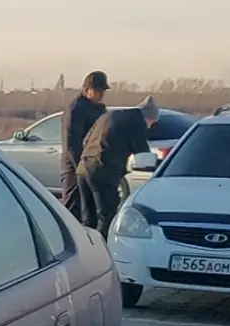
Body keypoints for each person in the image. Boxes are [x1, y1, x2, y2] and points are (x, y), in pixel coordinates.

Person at [77, 96, 160, 235]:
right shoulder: (137, 122)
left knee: (88, 219)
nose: (150, 126)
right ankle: (102, 251)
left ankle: (86, 248)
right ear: (149, 118)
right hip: (103, 170)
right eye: (151, 123)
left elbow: (86, 141)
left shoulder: (109, 115)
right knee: (106, 216)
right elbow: (143, 153)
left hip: (83, 168)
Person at [61, 72, 110, 221]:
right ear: (86, 89)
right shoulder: (76, 110)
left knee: (92, 211)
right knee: (73, 208)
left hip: (94, 165)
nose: (101, 95)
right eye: (97, 91)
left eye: (103, 91)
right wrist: (81, 168)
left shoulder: (100, 109)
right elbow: (71, 144)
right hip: (75, 167)